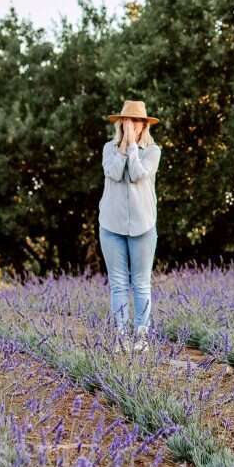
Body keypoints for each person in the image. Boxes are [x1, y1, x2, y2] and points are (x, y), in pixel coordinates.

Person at [98, 99, 162, 352]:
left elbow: (136, 174)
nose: (131, 124)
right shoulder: (109, 149)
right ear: (120, 123)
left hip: (143, 226)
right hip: (111, 225)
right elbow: (113, 173)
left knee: (141, 283)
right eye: (127, 120)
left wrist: (133, 147)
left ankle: (141, 337)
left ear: (144, 125)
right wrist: (123, 148)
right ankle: (121, 336)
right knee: (118, 284)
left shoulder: (153, 151)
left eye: (136, 121)